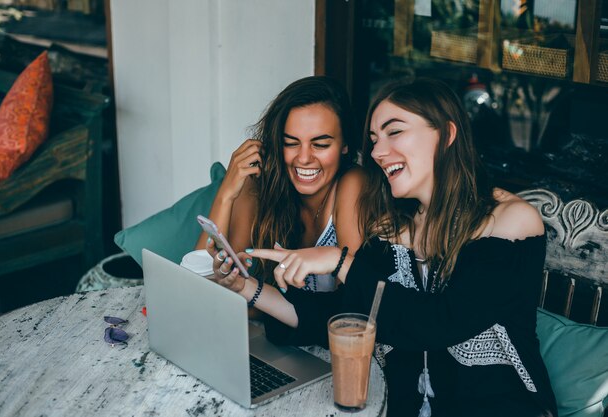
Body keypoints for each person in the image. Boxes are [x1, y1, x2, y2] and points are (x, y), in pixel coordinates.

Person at [210, 78, 558, 417]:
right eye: (374, 139)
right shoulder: (392, 229)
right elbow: (340, 317)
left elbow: (439, 321)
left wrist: (340, 261)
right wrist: (246, 287)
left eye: (394, 132)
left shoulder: (510, 222)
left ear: (447, 134)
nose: (376, 151)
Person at [197, 76, 365, 292]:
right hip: (276, 320)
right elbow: (200, 282)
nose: (304, 158)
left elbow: (350, 302)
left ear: (345, 145)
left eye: (320, 144)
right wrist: (226, 193)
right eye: (291, 143)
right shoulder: (262, 184)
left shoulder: (352, 183)